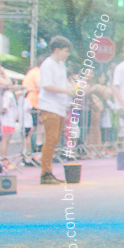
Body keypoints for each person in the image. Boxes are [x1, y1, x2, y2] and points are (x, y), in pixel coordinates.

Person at [38, 36, 74, 184]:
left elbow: (62, 83)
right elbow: (47, 85)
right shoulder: (48, 64)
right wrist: (66, 91)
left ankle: (48, 171)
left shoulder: (61, 65)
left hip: (59, 106)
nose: (67, 54)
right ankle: (45, 172)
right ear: (57, 50)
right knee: (51, 139)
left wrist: (71, 89)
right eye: (66, 51)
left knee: (54, 140)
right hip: (49, 106)